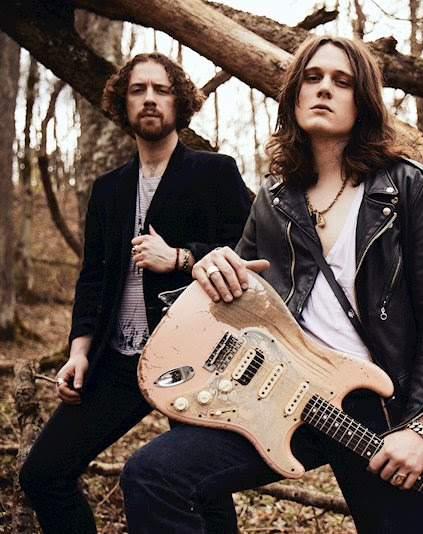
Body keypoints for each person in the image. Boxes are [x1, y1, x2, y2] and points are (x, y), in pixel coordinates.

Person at [120, 35, 423, 534]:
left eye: (342, 81)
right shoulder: (273, 199)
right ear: (295, 95)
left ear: (363, 99)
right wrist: (209, 268)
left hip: (376, 407)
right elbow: (235, 295)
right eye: (313, 77)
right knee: (152, 477)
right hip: (282, 394)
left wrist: (420, 427)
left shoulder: (407, 188)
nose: (325, 88)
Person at [19, 52, 252, 533]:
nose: (149, 99)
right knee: (43, 474)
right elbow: (94, 276)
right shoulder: (108, 189)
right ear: (122, 104)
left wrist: (182, 258)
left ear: (180, 102)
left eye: (161, 90)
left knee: (203, 494)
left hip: (195, 359)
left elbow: (253, 254)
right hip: (117, 360)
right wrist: (79, 350)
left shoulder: (215, 172)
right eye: (137, 90)